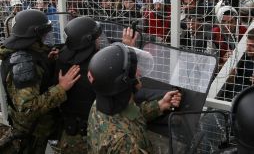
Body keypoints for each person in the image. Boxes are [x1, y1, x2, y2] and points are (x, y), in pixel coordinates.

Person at [0, 9, 80, 154]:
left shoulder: (22, 51)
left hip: (30, 128)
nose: (45, 38)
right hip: (31, 132)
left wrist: (46, 62)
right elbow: (28, 109)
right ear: (34, 36)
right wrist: (61, 88)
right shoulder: (24, 63)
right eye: (43, 34)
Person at [87, 42, 182, 153]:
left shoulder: (102, 103)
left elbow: (128, 117)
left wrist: (160, 105)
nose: (138, 72)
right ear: (123, 84)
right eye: (133, 70)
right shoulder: (125, 143)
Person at [55, 16, 104, 153]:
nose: (99, 40)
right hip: (92, 137)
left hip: (67, 135)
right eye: (97, 37)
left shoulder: (60, 59)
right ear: (88, 41)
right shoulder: (98, 67)